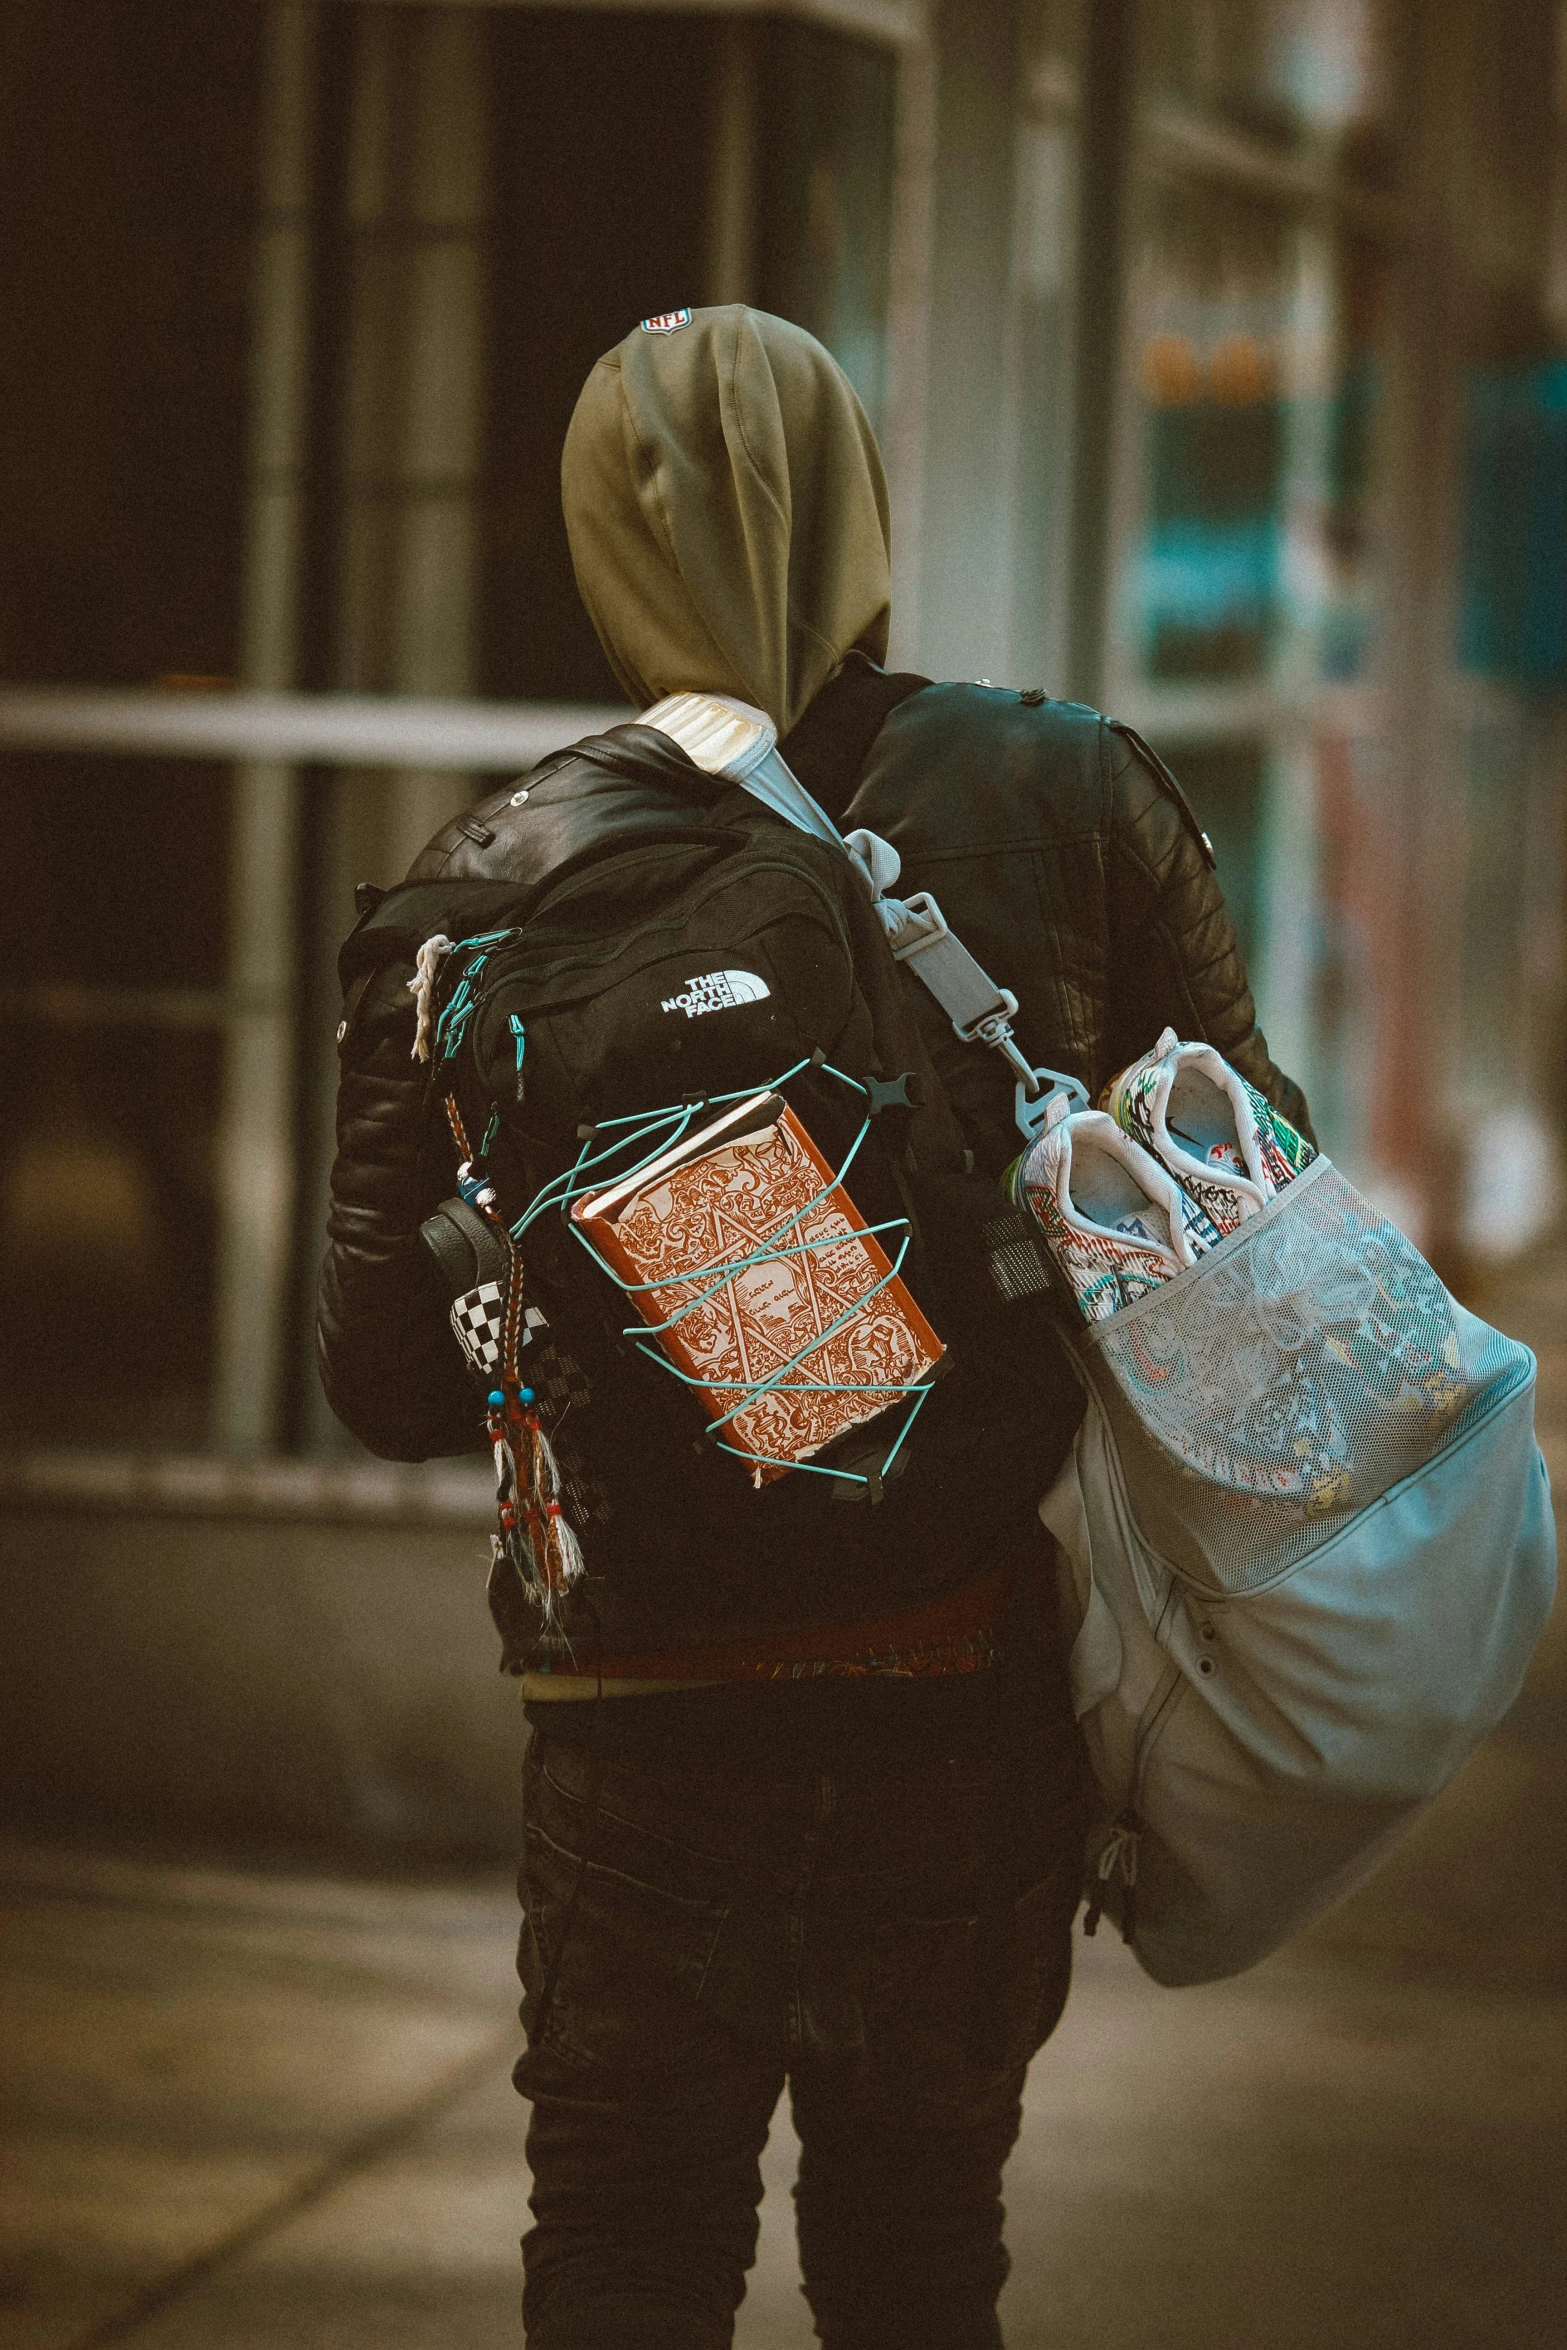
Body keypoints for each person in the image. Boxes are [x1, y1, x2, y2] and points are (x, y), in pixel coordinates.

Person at [318, 305, 1312, 2350]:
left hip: (637, 1731)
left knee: (619, 2254)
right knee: (919, 2261)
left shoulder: (479, 888)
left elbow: (384, 1380)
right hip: (966, 1696)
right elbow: (1258, 1224)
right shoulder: (1078, 794)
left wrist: (590, 1263)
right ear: (868, 514)